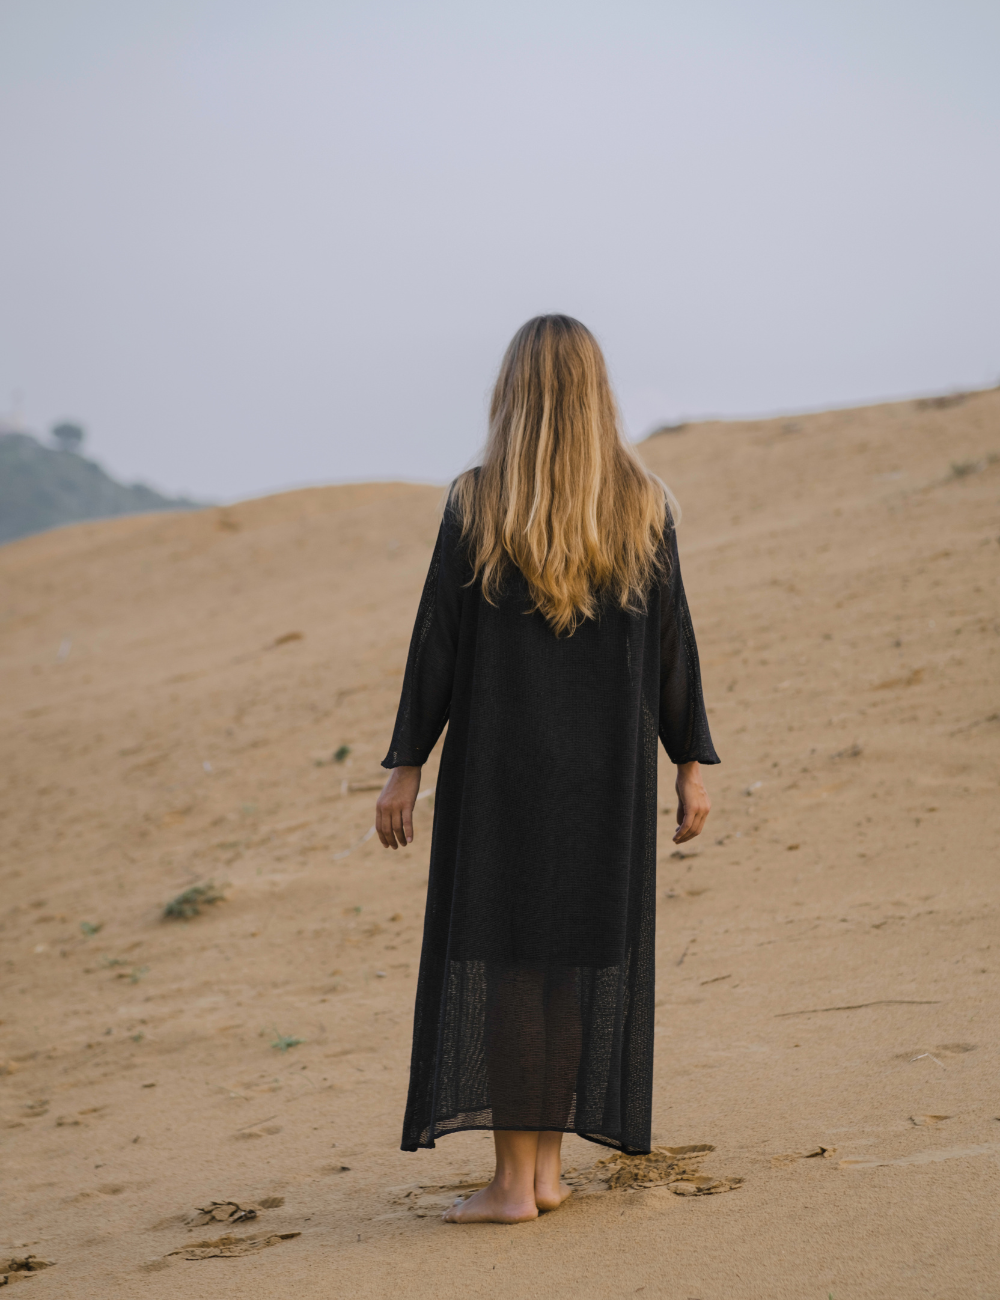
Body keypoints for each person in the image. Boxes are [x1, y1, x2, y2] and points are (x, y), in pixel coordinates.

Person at [375, 315, 719, 1224]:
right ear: (598, 394)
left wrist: (405, 766)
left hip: (500, 779)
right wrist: (689, 764)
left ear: (514, 393)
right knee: (566, 969)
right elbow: (673, 650)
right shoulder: (643, 503)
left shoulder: (478, 501)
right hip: (606, 780)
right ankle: (548, 1175)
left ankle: (510, 1185)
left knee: (506, 970)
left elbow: (435, 650)